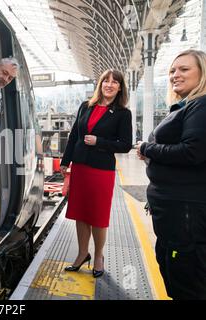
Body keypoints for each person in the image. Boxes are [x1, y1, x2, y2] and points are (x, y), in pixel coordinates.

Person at [136, 49, 206, 299]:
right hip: (174, 215)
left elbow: (193, 152)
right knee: (176, 277)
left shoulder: (201, 104)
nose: (175, 75)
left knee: (186, 284)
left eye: (184, 69)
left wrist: (147, 148)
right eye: (172, 71)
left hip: (184, 217)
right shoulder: (186, 106)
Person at [60, 69, 132, 277]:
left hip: (101, 170)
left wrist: (100, 142)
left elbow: (126, 145)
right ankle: (83, 254)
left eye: (115, 82)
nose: (109, 85)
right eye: (106, 81)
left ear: (120, 88)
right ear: (100, 84)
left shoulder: (122, 113)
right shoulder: (86, 106)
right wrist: (66, 161)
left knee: (98, 216)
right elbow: (74, 135)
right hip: (80, 167)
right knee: (80, 213)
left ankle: (98, 255)